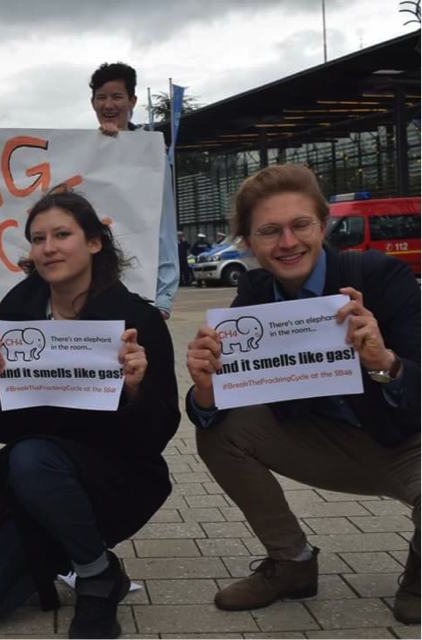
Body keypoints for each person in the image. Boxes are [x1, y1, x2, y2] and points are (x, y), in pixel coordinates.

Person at [185, 164, 420, 625]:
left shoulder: (381, 276)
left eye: (300, 226)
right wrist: (207, 390)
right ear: (248, 243)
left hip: (407, 441)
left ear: (324, 225)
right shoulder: (253, 295)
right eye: (270, 231)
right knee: (220, 430)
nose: (288, 243)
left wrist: (384, 363)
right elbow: (217, 409)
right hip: (326, 442)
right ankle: (291, 562)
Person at [0, 188, 180, 640]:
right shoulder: (17, 312)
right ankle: (90, 556)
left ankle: (94, 577)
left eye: (62, 234)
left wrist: (135, 390)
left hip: (117, 474)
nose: (48, 247)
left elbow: (160, 431)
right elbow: (5, 430)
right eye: (37, 238)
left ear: (94, 242)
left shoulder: (136, 321)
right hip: (38, 485)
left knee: (31, 456)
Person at [90, 62, 179, 320]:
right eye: (101, 97)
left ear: (132, 101)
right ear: (92, 103)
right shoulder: (81, 152)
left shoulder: (151, 155)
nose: (108, 105)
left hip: (140, 288)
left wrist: (163, 296)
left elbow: (164, 225)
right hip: (90, 290)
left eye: (117, 97)